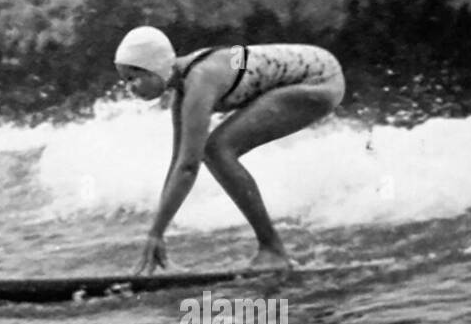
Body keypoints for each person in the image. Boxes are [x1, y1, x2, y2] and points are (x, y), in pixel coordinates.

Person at [113, 27, 345, 273]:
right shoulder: (184, 92)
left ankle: (272, 250)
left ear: (156, 66)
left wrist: (156, 234)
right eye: (125, 80)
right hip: (311, 74)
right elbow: (178, 166)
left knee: (217, 150)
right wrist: (157, 233)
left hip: (320, 80)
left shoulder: (200, 79)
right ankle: (271, 247)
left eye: (134, 76)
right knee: (214, 150)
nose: (131, 88)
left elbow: (189, 168)